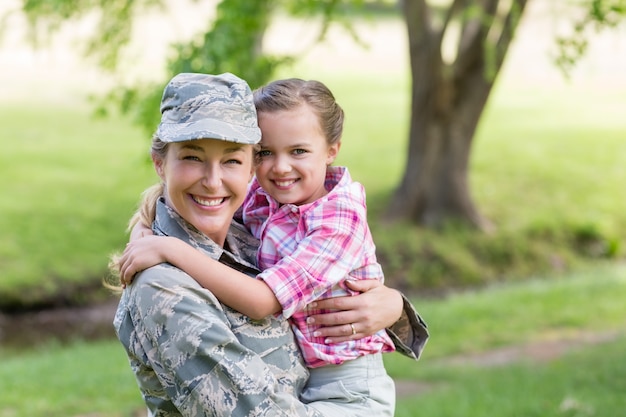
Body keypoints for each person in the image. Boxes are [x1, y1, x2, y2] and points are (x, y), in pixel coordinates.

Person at [109, 72, 428, 417]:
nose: (214, 182)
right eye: (192, 157)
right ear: (160, 163)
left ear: (247, 167)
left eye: (232, 159)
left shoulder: (249, 230)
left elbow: (312, 292)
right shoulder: (165, 287)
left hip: (346, 390)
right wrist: (155, 239)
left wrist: (394, 308)